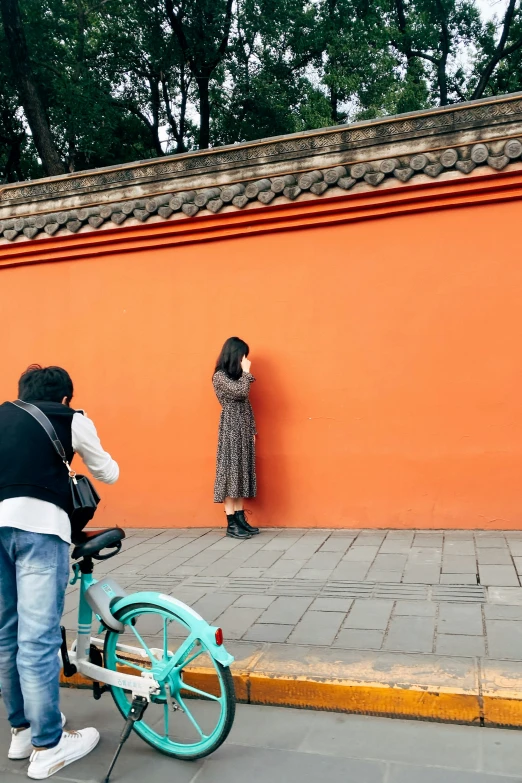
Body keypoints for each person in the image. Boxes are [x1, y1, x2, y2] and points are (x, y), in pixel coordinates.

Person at [0, 364, 119, 780]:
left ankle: (22, 730)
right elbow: (108, 472)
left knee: (7, 634)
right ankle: (49, 745)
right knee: (37, 638)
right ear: (64, 397)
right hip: (39, 526)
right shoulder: (71, 418)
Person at [213, 337, 260, 539]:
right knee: (231, 472)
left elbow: (246, 406)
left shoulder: (237, 378)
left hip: (243, 429)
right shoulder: (220, 377)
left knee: (241, 473)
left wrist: (253, 431)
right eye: (243, 356)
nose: (245, 360)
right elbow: (241, 393)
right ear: (235, 355)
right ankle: (231, 522)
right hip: (231, 429)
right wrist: (247, 373)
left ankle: (240, 518)